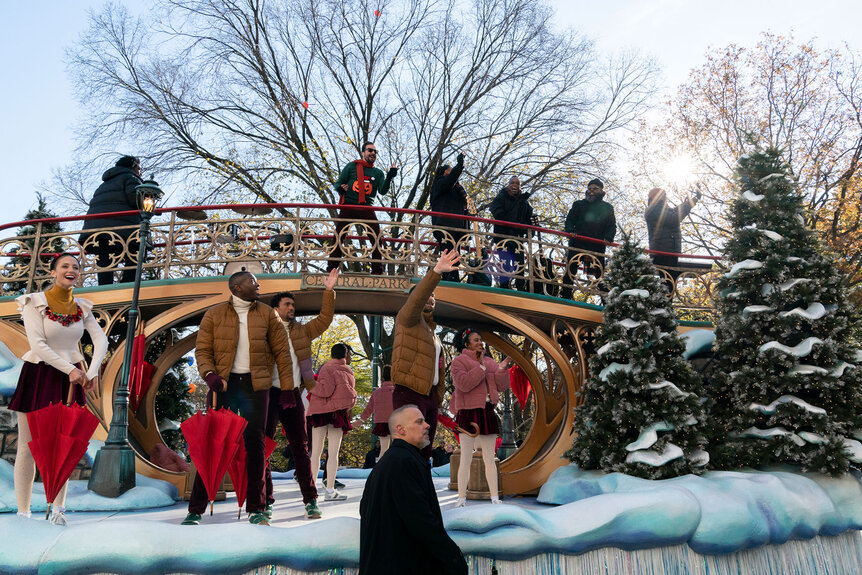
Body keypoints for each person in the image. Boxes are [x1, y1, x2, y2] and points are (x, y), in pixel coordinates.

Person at [182, 271, 294, 527]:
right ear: (237, 287)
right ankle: (195, 510)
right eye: (253, 282)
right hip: (224, 385)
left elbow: (282, 353)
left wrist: (287, 387)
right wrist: (209, 374)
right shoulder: (214, 314)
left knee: (255, 446)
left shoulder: (267, 313)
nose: (258, 285)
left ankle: (258, 508)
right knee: (213, 444)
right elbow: (203, 349)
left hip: (256, 387)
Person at [9, 253, 108, 525]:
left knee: (64, 446)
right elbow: (38, 344)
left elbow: (101, 341)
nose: (71, 270)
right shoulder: (34, 303)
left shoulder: (81, 308)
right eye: (65, 266)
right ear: (53, 272)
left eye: (76, 267)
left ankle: (58, 510)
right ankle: (23, 513)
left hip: (71, 382)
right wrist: (72, 370)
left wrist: (92, 371)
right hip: (40, 375)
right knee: (28, 447)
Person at [264, 268, 339, 520]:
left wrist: (328, 291)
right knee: (264, 447)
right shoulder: (263, 331)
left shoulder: (302, 331)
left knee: (301, 447)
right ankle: (266, 501)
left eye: (293, 305)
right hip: (267, 394)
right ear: (276, 308)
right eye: (287, 304)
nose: (292, 308)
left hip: (293, 394)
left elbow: (325, 319)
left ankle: (311, 500)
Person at [359, 405, 468, 575]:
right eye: (419, 422)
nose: (427, 425)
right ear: (400, 429)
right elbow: (420, 520)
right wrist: (454, 559)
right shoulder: (403, 462)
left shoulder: (391, 461)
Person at [391, 249, 461, 460]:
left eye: (433, 296)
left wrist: (437, 397)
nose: (431, 298)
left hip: (429, 396)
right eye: (427, 295)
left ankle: (422, 490)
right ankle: (402, 492)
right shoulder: (407, 318)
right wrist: (436, 272)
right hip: (410, 392)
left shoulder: (431, 332)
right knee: (409, 449)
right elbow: (417, 299)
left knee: (425, 451)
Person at [449, 328, 510, 507]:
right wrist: (480, 368)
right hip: (467, 412)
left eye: (480, 339)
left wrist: (502, 370)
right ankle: (461, 498)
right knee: (466, 457)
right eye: (476, 340)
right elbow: (464, 384)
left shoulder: (490, 362)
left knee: (489, 458)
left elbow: (501, 386)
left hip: (486, 411)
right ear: (466, 343)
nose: (480, 342)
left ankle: (494, 498)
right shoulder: (458, 362)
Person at [328, 142, 399, 275]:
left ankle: (377, 270)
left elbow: (383, 191)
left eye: (375, 151)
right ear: (363, 152)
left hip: (366, 207)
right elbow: (338, 182)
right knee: (338, 236)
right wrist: (340, 188)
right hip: (349, 205)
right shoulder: (351, 166)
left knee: (377, 238)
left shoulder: (378, 173)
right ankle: (331, 269)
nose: (373, 153)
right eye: (370, 150)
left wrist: (390, 176)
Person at [79, 155, 144, 285]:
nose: (140, 172)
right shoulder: (131, 178)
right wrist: (149, 204)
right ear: (133, 166)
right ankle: (128, 286)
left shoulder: (104, 184)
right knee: (137, 253)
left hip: (95, 230)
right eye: (139, 168)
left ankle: (104, 288)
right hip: (123, 230)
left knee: (105, 260)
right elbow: (135, 200)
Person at [307, 343, 357, 501]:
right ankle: (330, 490)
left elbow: (325, 390)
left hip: (322, 413)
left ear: (332, 354)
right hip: (339, 414)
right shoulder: (349, 371)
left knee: (316, 452)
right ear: (345, 355)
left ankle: (311, 489)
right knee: (333, 453)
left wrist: (310, 385)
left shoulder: (326, 368)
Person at [562, 178, 616, 299]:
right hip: (578, 242)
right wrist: (570, 230)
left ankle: (606, 302)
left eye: (595, 188)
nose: (591, 191)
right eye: (590, 188)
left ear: (602, 191)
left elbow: (611, 225)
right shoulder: (578, 204)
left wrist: (608, 237)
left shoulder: (607, 207)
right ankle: (565, 296)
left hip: (596, 245)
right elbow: (570, 219)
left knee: (599, 274)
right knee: (571, 270)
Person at [645, 187, 701, 293]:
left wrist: (692, 201)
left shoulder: (660, 209)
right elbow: (673, 219)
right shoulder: (654, 209)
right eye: (663, 195)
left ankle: (665, 306)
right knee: (667, 283)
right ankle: (663, 307)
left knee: (669, 283)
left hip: (668, 250)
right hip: (663, 251)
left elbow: (675, 211)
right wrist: (688, 205)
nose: (665, 198)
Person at [489, 176, 533, 290]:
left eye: (517, 183)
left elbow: (528, 221)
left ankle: (521, 289)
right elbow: (496, 211)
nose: (515, 185)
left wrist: (530, 231)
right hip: (503, 236)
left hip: (517, 238)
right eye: (512, 183)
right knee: (505, 264)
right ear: (508, 185)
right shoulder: (501, 197)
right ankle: (504, 288)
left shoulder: (525, 203)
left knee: (520, 265)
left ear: (519, 186)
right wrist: (511, 223)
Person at [430, 152, 468, 282]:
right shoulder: (440, 184)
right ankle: (448, 280)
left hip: (457, 227)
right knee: (447, 254)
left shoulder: (456, 190)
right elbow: (451, 180)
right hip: (444, 225)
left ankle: (454, 279)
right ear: (444, 172)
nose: (453, 174)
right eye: (450, 171)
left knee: (455, 256)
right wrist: (459, 164)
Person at [355, 365, 395, 458]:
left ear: (383, 378)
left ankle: (381, 470)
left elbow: (369, 408)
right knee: (398, 448)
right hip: (395, 421)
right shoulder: (397, 392)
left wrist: (361, 420)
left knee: (384, 449)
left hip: (381, 422)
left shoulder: (376, 393)